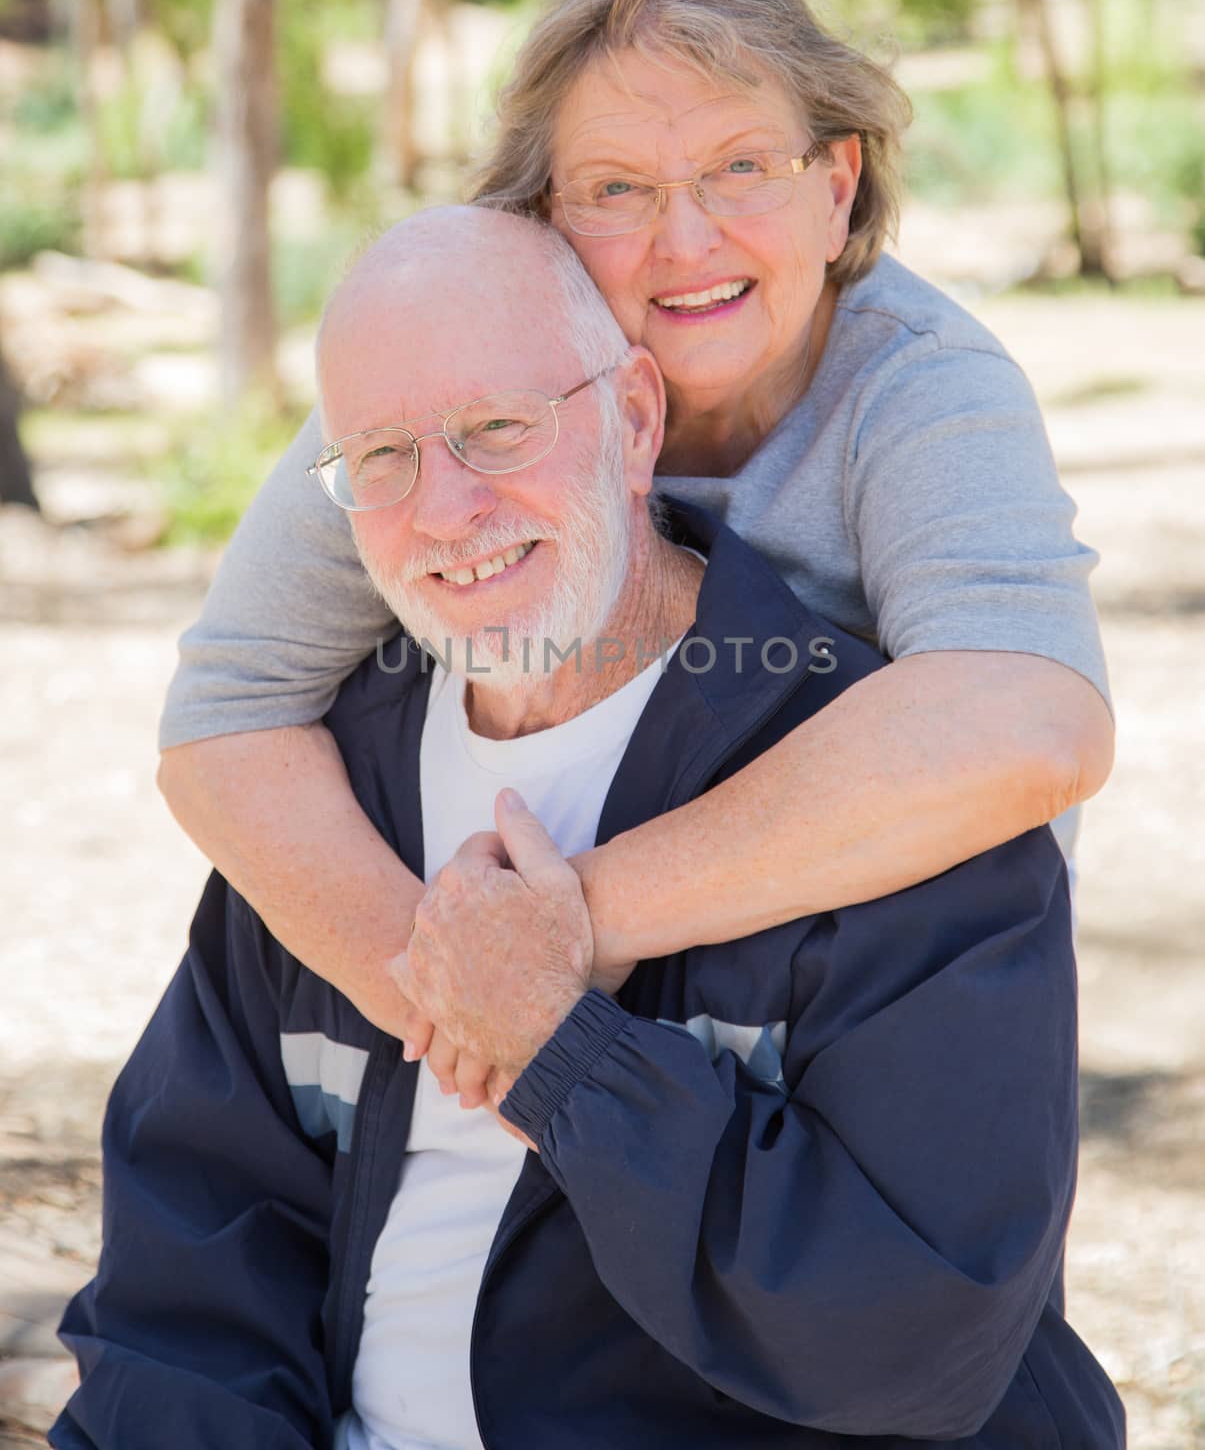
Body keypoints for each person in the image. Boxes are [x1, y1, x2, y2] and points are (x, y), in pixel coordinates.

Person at [54, 208, 1123, 1450]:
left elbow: (912, 1348)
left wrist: (566, 1058)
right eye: (382, 457)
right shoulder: (332, 797)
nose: (445, 509)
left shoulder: (885, 793)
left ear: (631, 421)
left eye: (498, 429)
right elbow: (188, 1281)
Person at [156, 0, 1114, 1091]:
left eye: (743, 167)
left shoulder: (920, 390)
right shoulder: (458, 401)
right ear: (542, 219)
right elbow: (223, 718)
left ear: (837, 187)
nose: (687, 239)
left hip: (878, 1023)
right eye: (615, 189)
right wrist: (451, 1005)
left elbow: (1032, 717)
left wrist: (565, 931)